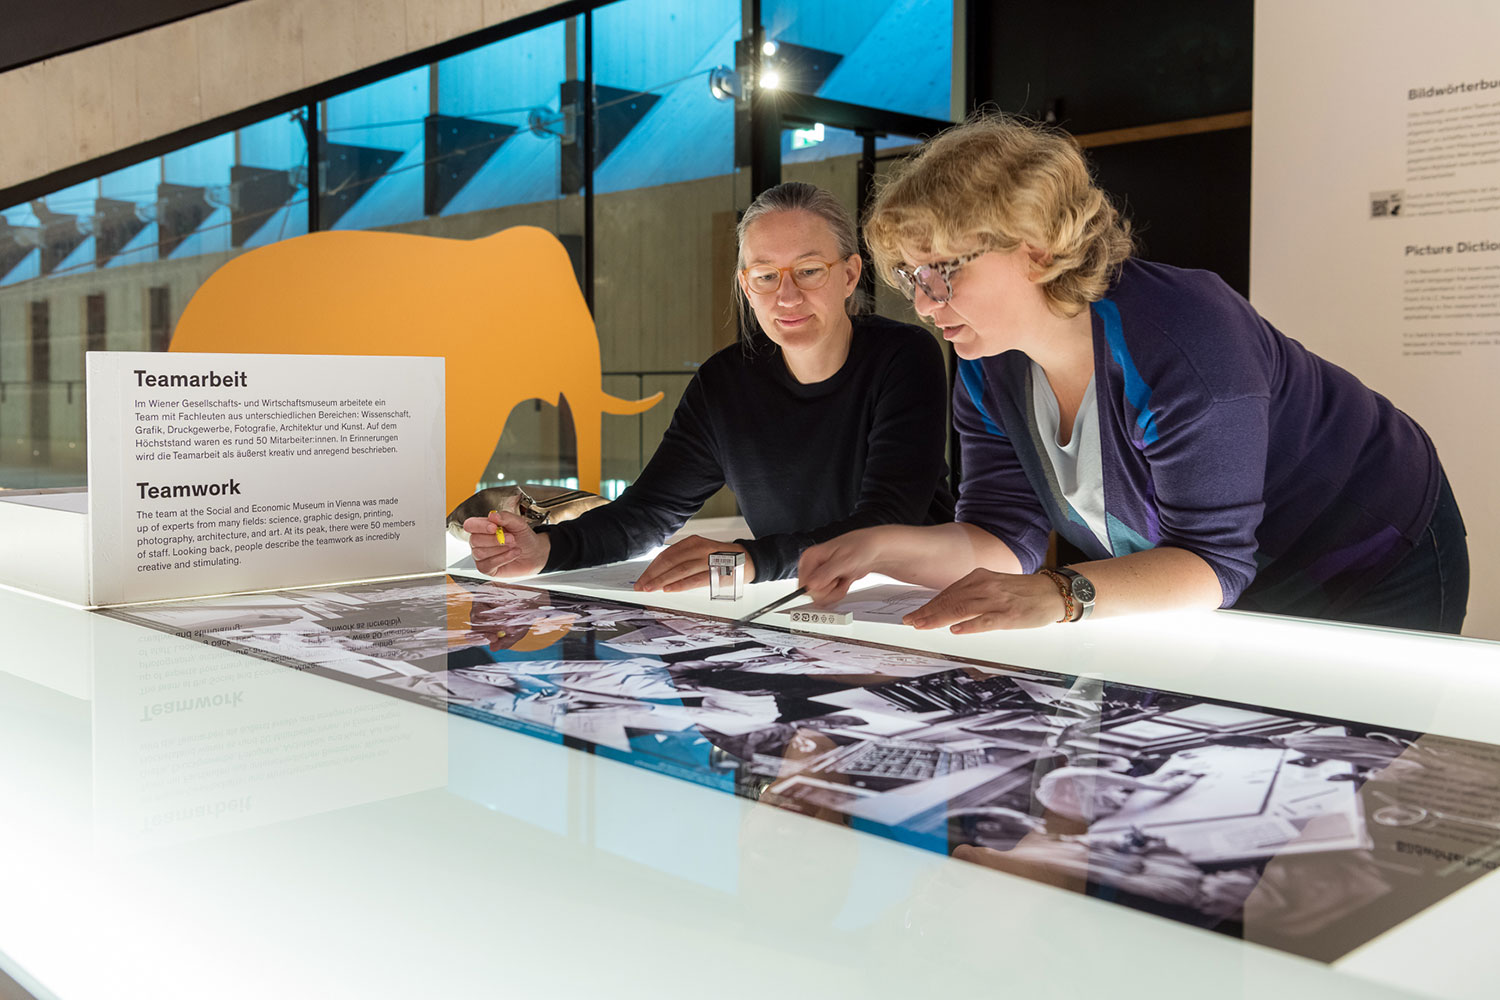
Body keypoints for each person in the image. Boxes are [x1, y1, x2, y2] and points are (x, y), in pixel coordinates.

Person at [798, 114, 1468, 634]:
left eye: (941, 271)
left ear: (1038, 248)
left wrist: (1062, 593)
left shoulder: (1183, 336)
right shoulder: (987, 364)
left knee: (1336, 765)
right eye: (911, 276)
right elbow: (1003, 536)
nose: (923, 303)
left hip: (1372, 552)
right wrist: (878, 547)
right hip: (1219, 583)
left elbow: (1212, 562)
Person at [466, 181, 954, 591]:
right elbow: (648, 512)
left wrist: (751, 560)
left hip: (907, 595)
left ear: (849, 275)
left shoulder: (904, 356)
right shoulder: (725, 383)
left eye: (808, 271)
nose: (786, 296)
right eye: (766, 276)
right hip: (797, 602)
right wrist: (545, 549)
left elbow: (885, 522)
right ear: (746, 287)